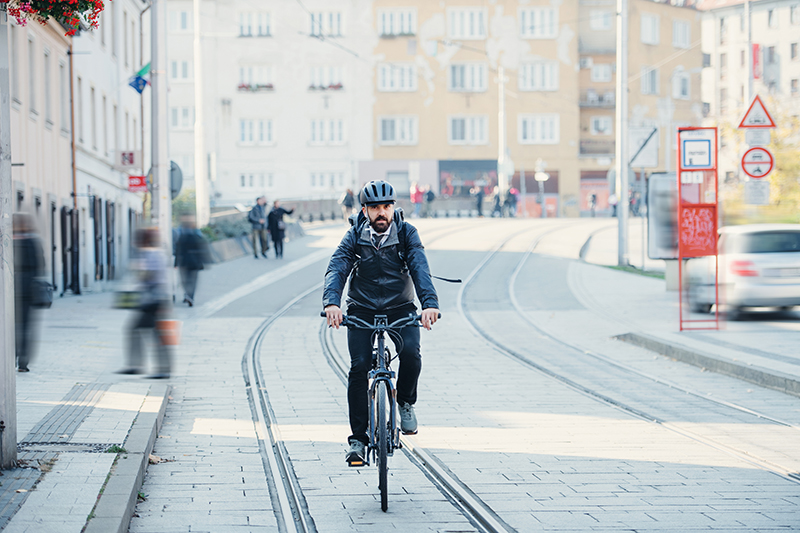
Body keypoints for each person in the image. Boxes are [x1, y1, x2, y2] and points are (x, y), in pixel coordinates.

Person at [323, 180, 440, 466]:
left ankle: (405, 401)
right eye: (375, 207)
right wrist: (332, 303)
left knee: (411, 353)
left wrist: (430, 304)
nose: (381, 213)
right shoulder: (354, 235)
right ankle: (358, 440)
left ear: (393, 207)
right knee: (359, 368)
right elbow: (337, 266)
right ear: (364, 210)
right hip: (361, 308)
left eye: (386, 206)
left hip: (400, 307)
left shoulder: (407, 233)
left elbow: (420, 267)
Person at [118, 228, 171, 378]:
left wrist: (137, 270)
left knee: (150, 333)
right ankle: (143, 365)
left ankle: (156, 367)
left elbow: (148, 275)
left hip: (153, 300)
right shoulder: (155, 253)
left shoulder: (151, 254)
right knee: (145, 332)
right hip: (154, 299)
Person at [13, 213, 44, 372]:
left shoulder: (6, 241)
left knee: (8, 327)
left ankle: (10, 356)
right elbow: (39, 266)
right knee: (24, 327)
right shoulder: (31, 241)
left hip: (9, 292)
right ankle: (23, 362)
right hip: (26, 292)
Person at [174, 215, 212, 307]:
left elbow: (177, 251)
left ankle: (187, 294)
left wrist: (175, 263)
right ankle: (190, 296)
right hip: (195, 263)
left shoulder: (181, 236)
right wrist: (206, 261)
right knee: (193, 281)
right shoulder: (197, 236)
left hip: (184, 263)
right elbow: (203, 249)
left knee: (184, 280)